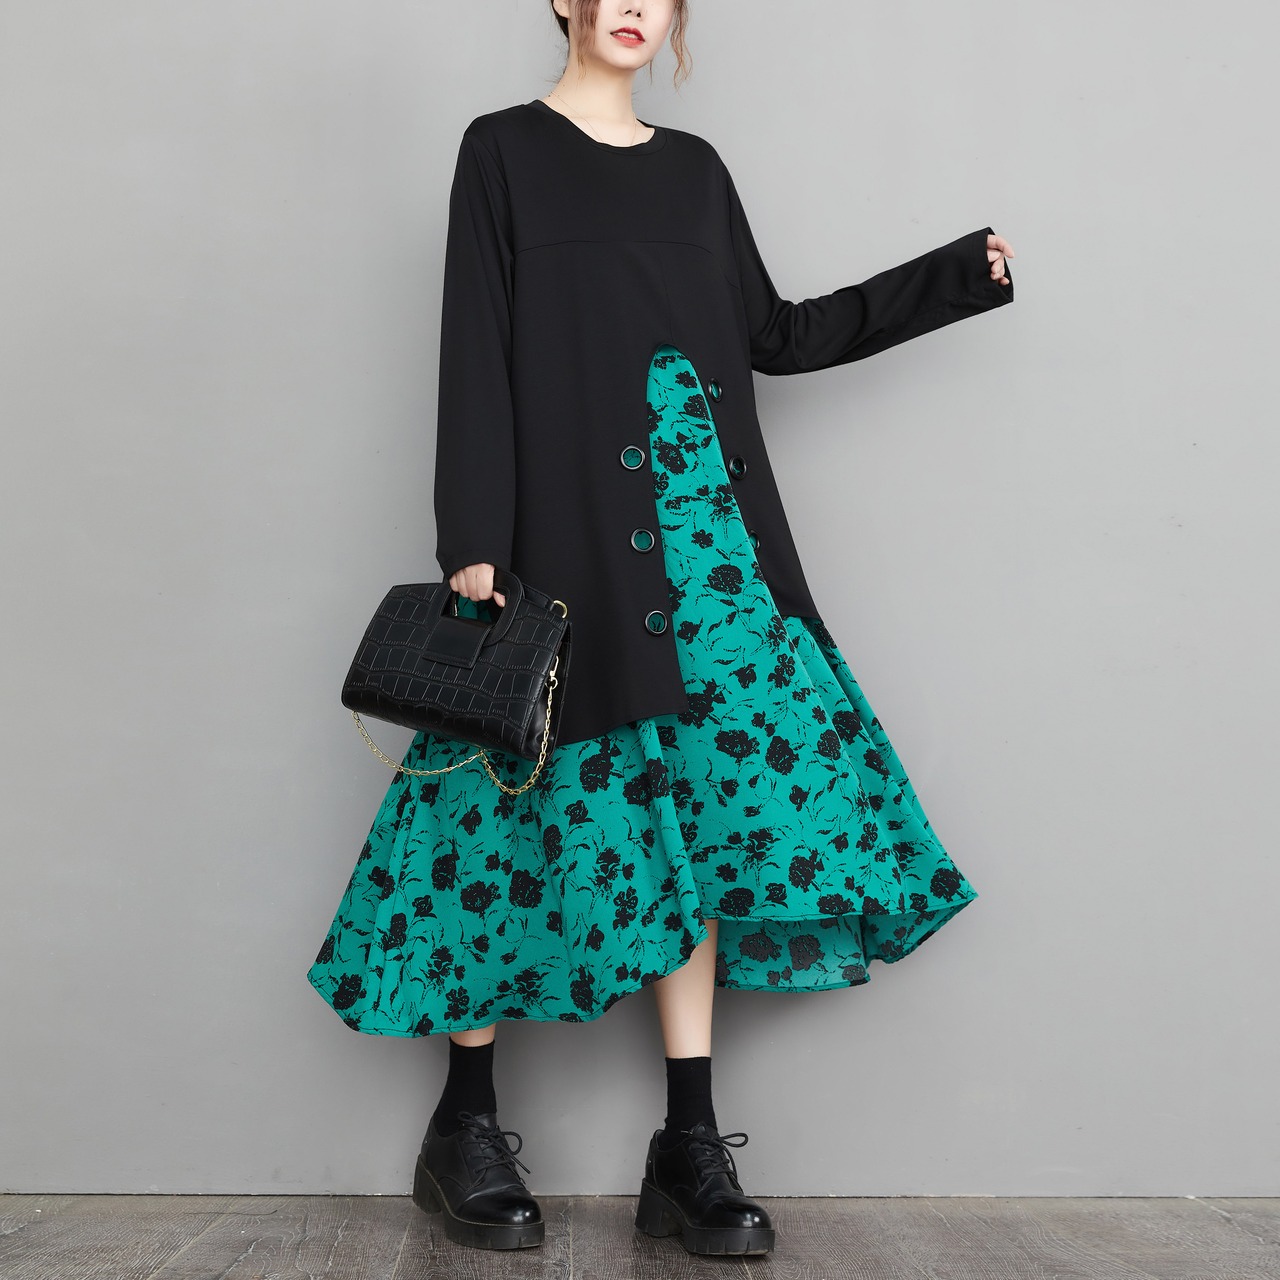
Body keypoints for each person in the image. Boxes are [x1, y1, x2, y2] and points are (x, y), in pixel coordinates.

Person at [308, 0, 1015, 1257]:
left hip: (711, 557)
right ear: (563, 2)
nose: (635, 4)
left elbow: (774, 334)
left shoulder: (694, 171)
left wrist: (952, 276)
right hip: (564, 546)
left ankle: (687, 1147)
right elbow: (474, 343)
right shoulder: (501, 151)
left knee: (697, 818)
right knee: (491, 820)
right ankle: (463, 1121)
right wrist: (473, 535)